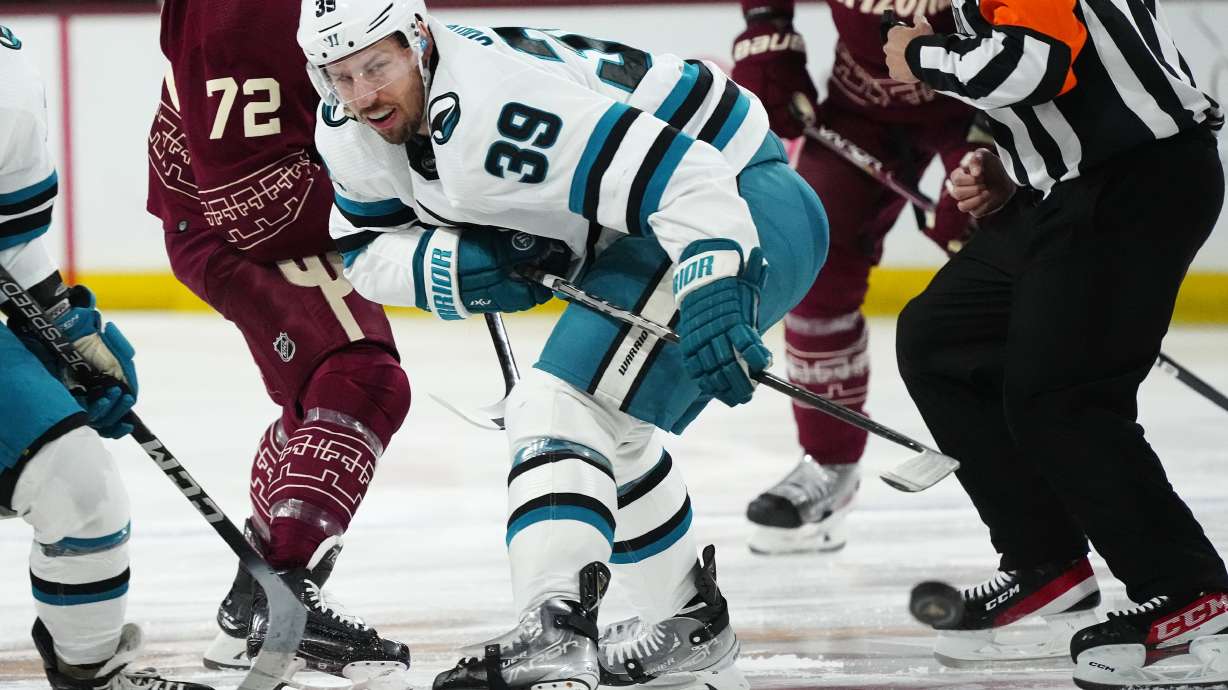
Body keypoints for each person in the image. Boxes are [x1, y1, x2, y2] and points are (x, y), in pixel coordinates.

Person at [295, 1, 829, 688]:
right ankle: (687, 622)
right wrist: (451, 266)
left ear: (420, 41)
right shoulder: (348, 123)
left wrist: (716, 288)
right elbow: (364, 245)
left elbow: (688, 177)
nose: (363, 95)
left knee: (558, 404)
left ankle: (552, 626)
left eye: (377, 66)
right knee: (611, 425)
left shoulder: (496, 109)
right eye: (341, 75)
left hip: (738, 197)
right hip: (657, 219)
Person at [883, 1, 1228, 686]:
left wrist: (918, 55)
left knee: (1061, 396)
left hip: (1137, 182)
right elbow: (1065, 74)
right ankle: (1047, 564)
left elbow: (1034, 65)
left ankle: (1192, 593)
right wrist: (1008, 159)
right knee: (942, 340)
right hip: (1069, 193)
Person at [145, 0, 413, 681]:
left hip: (247, 190)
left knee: (323, 396)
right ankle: (285, 604)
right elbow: (255, 203)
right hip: (237, 210)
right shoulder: (246, 13)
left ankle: (251, 603)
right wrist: (423, 208)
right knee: (359, 377)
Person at [729, 0, 984, 554]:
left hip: (988, 101)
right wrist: (767, 31)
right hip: (860, 107)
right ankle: (829, 462)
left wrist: (994, 153)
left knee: (998, 263)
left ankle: (1045, 462)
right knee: (814, 264)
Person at [1, 24, 211, 690]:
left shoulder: (5, 83)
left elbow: (11, 241)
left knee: (78, 485)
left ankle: (91, 672)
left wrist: (61, 331)